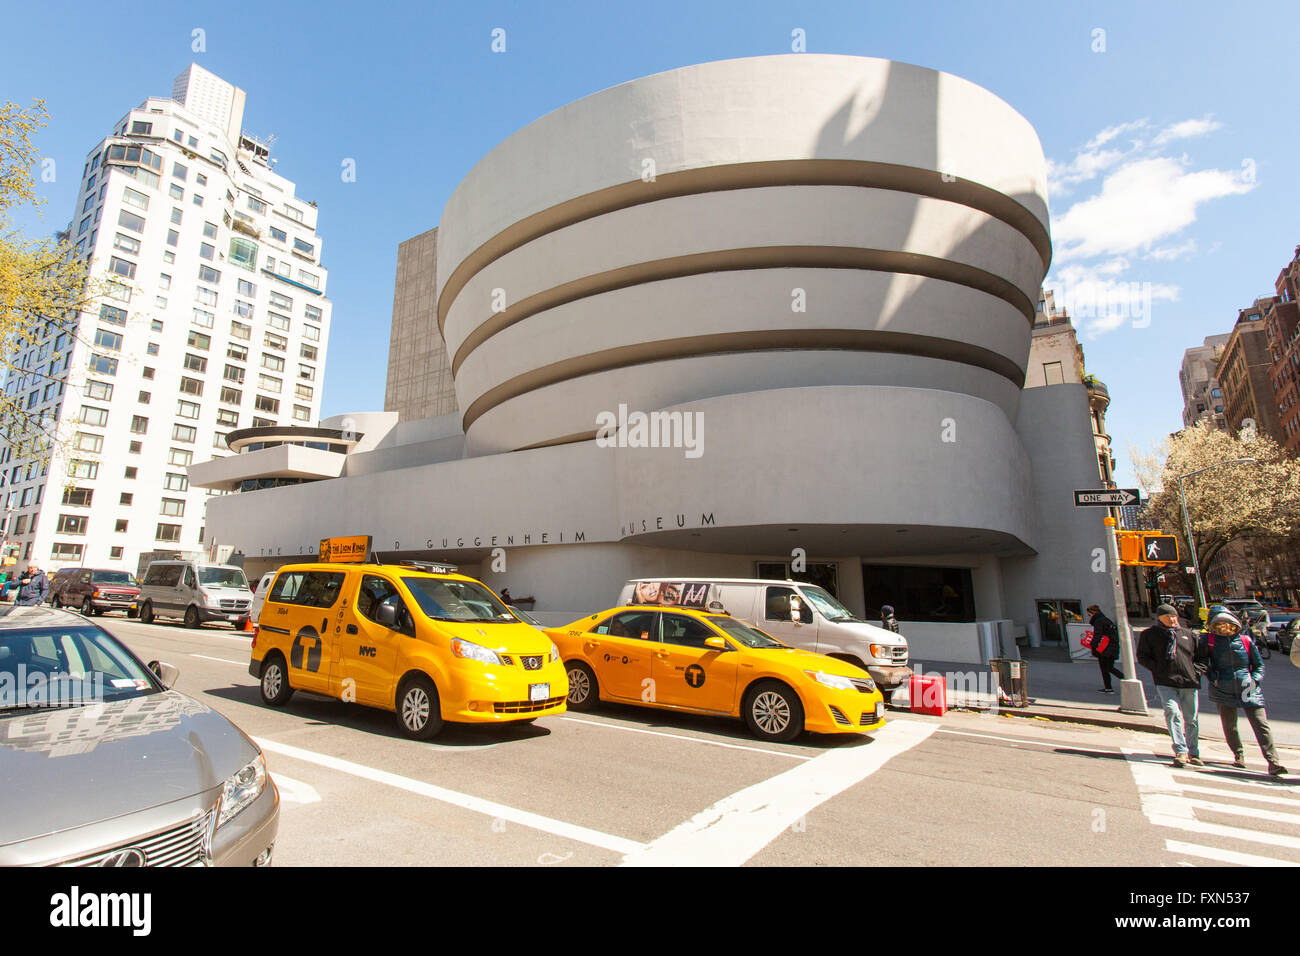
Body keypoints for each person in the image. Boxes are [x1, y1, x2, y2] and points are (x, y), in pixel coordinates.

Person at [1205, 609, 1287, 775]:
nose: (1225, 628)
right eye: (1220, 625)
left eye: (1228, 625)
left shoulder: (1245, 641)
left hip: (1248, 688)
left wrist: (1254, 680)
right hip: (1223, 688)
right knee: (1229, 725)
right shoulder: (1209, 642)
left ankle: (1273, 761)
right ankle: (1239, 755)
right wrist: (1214, 678)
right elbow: (1205, 664)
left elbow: (1259, 665)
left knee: (1261, 724)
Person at [1137, 603, 1208, 767]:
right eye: (1168, 616)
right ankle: (1180, 750)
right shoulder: (1150, 635)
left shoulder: (1188, 634)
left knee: (1191, 718)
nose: (1172, 619)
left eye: (1174, 616)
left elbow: (1201, 657)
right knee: (1172, 712)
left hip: (1189, 682)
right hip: (1165, 681)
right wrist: (1158, 670)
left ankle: (1194, 751)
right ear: (1160, 618)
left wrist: (1196, 671)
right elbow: (1143, 656)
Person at [1086, 604, 1125, 694]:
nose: (1089, 616)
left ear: (1093, 613)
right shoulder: (1106, 620)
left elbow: (1097, 635)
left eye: (1089, 614)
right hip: (1112, 647)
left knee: (1105, 668)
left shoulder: (1098, 621)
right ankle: (1117, 683)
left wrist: (1093, 646)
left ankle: (1110, 687)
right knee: (1109, 667)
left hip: (1104, 648)